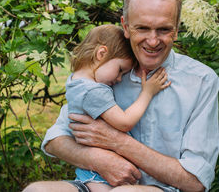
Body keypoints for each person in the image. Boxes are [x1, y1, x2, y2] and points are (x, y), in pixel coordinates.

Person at [23, 0, 219, 192]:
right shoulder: (106, 74)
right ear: (125, 26)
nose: (153, 41)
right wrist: (99, 160)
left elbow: (196, 182)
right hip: (98, 184)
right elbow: (55, 140)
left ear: (177, 29)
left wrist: (118, 142)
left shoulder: (201, 81)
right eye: (142, 28)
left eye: (163, 30)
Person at [65, 24, 170, 192]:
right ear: (101, 54)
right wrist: (148, 93)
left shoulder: (75, 82)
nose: (120, 78)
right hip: (101, 177)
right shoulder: (92, 91)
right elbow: (124, 123)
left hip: (94, 173)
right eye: (120, 70)